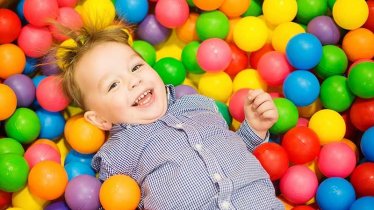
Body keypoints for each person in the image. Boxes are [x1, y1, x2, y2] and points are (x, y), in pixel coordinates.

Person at [56, 22, 284, 210]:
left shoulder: (198, 106)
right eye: (113, 85)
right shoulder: (119, 151)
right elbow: (117, 198)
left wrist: (254, 129)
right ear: (100, 120)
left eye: (135, 68)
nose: (133, 81)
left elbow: (232, 149)